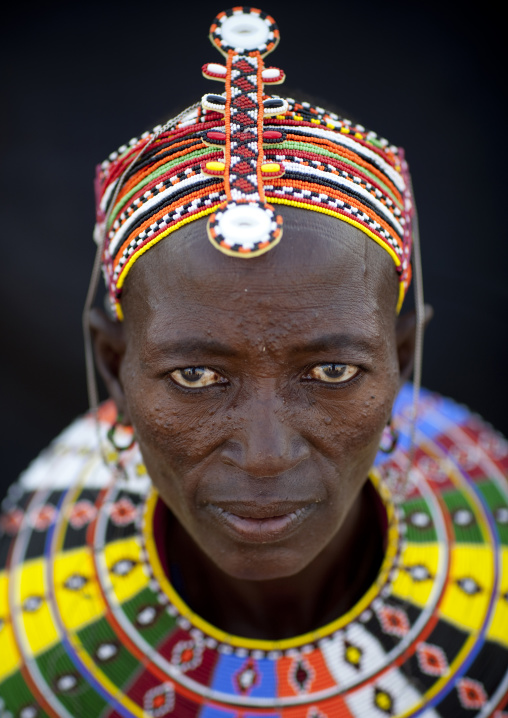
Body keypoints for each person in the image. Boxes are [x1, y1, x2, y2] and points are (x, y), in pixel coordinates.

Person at [1, 7, 507, 717]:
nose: (266, 454)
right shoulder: (18, 626)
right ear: (115, 363)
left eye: (331, 373)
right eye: (196, 377)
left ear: (402, 357)